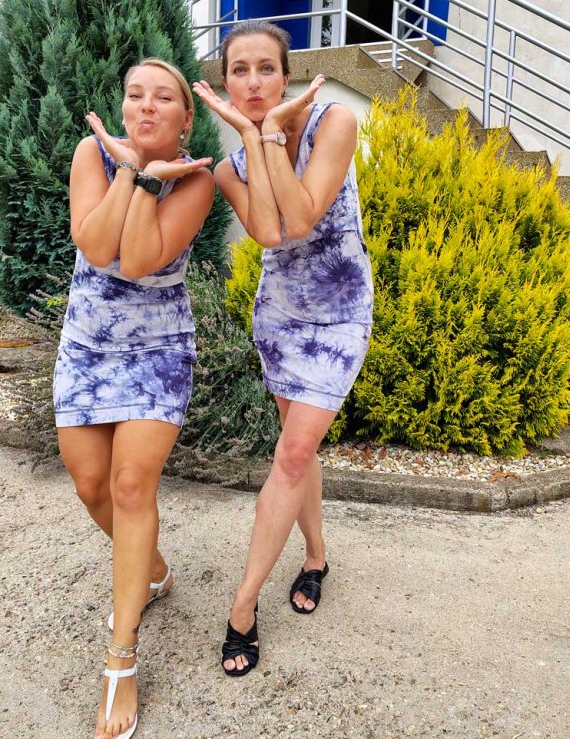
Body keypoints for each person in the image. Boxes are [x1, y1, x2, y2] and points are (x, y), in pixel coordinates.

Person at [193, 21, 373, 676]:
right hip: (280, 316)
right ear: (224, 83)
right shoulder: (228, 167)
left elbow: (301, 216)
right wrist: (253, 137)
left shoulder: (334, 123)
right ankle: (316, 557)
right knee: (300, 449)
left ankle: (242, 606)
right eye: (239, 70)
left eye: (266, 68)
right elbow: (271, 235)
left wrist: (269, 134)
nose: (253, 82)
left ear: (287, 74)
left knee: (292, 453)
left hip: (340, 315)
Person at [54, 58, 214, 739]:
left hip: (157, 352)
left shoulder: (198, 178)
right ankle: (151, 570)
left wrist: (151, 179)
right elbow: (94, 245)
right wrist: (128, 171)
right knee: (91, 487)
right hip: (87, 347)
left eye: (164, 98)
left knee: (128, 486)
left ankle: (121, 662)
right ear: (122, 107)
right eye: (135, 95)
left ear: (185, 117)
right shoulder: (91, 154)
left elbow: (142, 258)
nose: (147, 106)